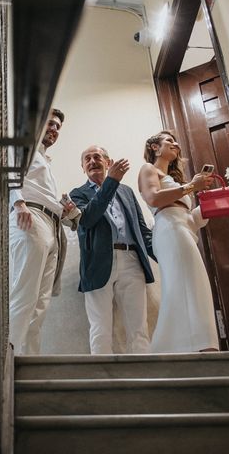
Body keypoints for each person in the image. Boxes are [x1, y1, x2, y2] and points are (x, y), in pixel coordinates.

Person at [138, 130, 219, 353]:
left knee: (193, 283)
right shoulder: (149, 170)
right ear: (155, 147)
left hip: (184, 230)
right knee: (184, 283)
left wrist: (215, 201)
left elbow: (192, 219)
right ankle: (199, 344)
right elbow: (153, 197)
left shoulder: (175, 181)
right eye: (169, 141)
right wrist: (192, 186)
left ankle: (187, 343)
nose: (176, 145)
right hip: (169, 231)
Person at [69, 146, 155, 354]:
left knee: (139, 327)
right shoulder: (77, 193)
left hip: (132, 259)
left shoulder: (126, 191)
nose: (92, 161)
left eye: (97, 156)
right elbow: (88, 219)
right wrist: (111, 182)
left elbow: (142, 230)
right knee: (100, 327)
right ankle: (102, 382)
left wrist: (165, 256)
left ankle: (144, 380)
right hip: (97, 264)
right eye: (87, 159)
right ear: (82, 167)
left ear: (108, 162)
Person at [9, 108, 80, 355]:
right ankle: (9, 359)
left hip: (52, 226)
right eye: (50, 123)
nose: (54, 129)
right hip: (31, 220)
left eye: (58, 127)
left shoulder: (45, 161)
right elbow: (9, 172)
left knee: (41, 304)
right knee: (24, 294)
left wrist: (66, 210)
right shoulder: (23, 147)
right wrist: (18, 204)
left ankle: (28, 359)